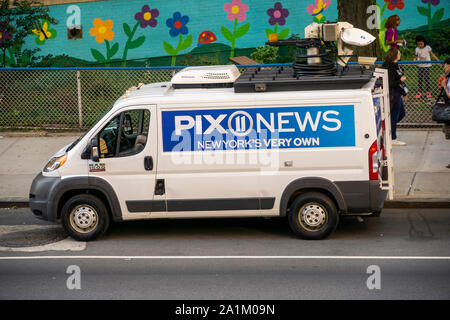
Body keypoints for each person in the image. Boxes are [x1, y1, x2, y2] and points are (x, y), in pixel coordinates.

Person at [382, 47, 408, 146]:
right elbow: (391, 83)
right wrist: (400, 80)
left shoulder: (397, 65)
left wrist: (404, 92)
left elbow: (399, 80)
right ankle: (392, 138)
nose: (400, 54)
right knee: (394, 115)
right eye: (398, 53)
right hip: (393, 95)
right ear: (394, 54)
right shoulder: (389, 67)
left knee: (402, 114)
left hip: (398, 93)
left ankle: (388, 128)